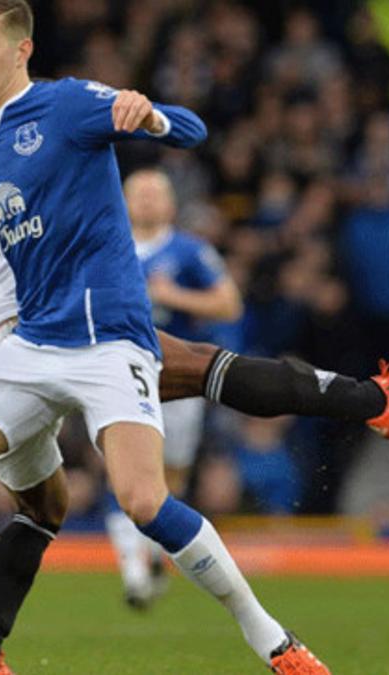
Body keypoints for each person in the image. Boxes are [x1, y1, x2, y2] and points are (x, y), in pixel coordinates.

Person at [0, 2, 389, 673]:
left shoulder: (68, 104)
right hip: (31, 343)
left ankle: (277, 643)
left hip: (108, 341)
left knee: (143, 500)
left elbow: (189, 129)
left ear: (23, 51)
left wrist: (149, 114)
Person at [107, 167, 243, 609]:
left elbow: (228, 303)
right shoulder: (107, 244)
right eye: (138, 193)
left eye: (155, 194)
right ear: (124, 200)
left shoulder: (190, 251)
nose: (146, 201)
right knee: (123, 466)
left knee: (172, 474)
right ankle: (133, 570)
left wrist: (172, 296)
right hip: (115, 371)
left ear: (170, 204)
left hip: (174, 376)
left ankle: (150, 554)